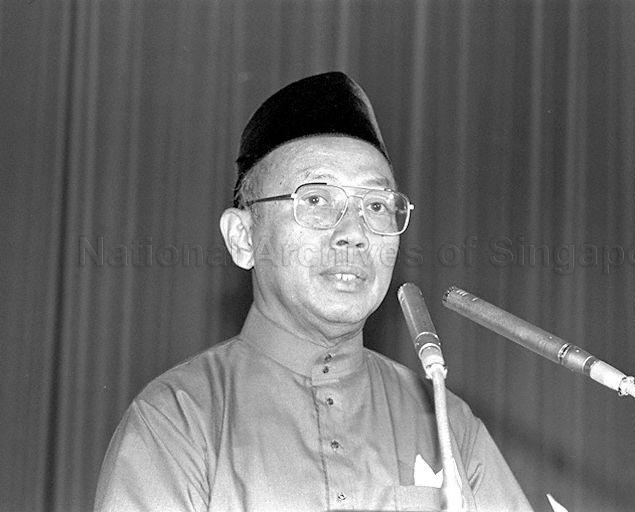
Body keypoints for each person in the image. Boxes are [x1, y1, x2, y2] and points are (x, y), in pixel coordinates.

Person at [94, 72, 533, 512]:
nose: (354, 234)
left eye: (376, 206)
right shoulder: (178, 422)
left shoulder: (447, 425)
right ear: (243, 238)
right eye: (317, 200)